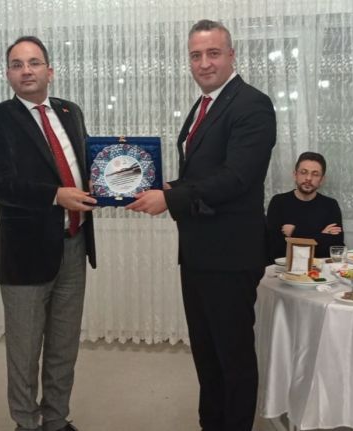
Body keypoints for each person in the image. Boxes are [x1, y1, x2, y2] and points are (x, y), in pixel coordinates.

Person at [127, 20, 276, 431]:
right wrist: (169, 187)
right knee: (207, 355)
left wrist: (170, 199)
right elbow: (203, 173)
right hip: (197, 252)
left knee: (233, 358)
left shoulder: (252, 104)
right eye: (196, 55)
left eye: (213, 53)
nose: (204, 63)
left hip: (230, 255)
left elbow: (237, 177)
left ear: (231, 55)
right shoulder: (204, 104)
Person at [0, 36, 96, 431]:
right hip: (25, 254)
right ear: (8, 74)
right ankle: (26, 423)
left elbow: (84, 165)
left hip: (74, 245)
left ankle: (57, 419)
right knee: (25, 350)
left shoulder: (70, 112)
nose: (26, 70)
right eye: (17, 64)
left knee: (64, 345)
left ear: (50, 70)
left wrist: (107, 182)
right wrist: (55, 195)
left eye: (33, 62)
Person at [266, 151, 344, 260]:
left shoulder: (330, 205)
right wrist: (321, 235)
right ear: (295, 175)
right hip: (285, 268)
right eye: (303, 172)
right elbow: (276, 248)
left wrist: (295, 232)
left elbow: (336, 247)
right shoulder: (278, 202)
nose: (308, 178)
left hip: (321, 268)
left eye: (315, 174)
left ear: (322, 180)